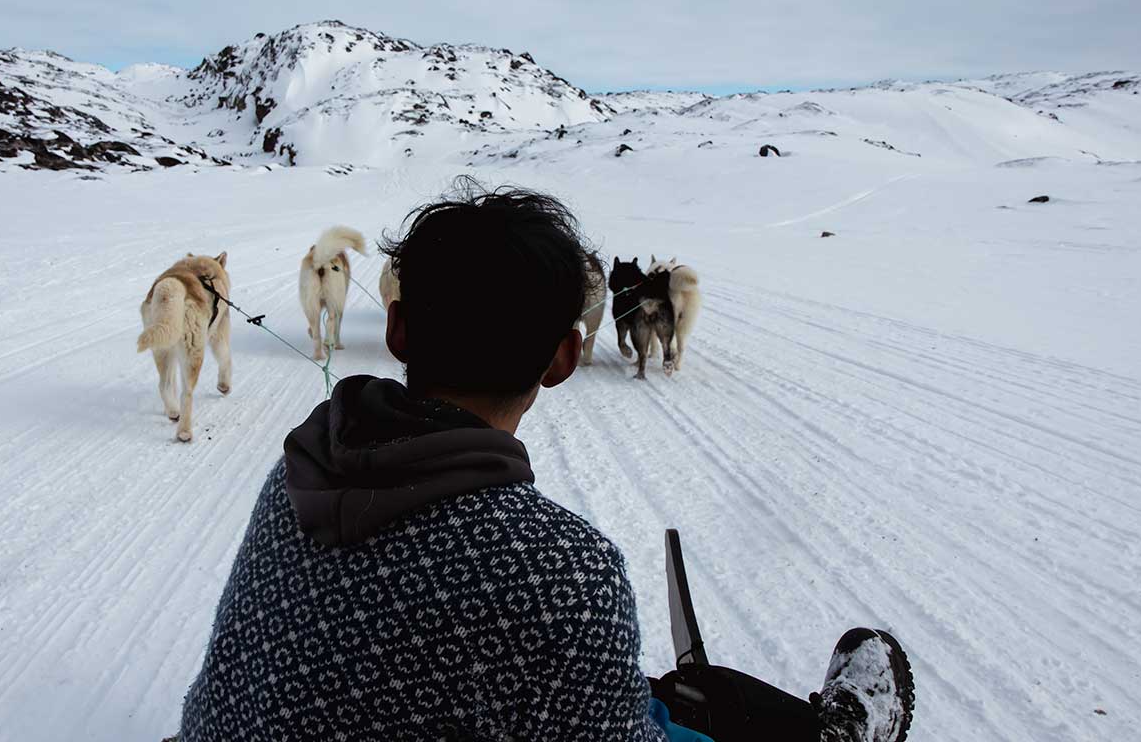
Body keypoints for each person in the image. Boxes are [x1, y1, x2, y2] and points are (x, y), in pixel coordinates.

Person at [173, 180, 914, 742]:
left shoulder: (302, 472)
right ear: (564, 357)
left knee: (633, 690)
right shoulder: (559, 573)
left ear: (396, 329)